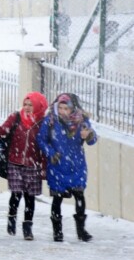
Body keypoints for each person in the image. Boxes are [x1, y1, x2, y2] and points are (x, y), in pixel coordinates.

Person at [36, 93, 97, 242]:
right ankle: (57, 231)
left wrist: (88, 135)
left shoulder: (81, 120)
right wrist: (51, 153)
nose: (63, 111)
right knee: (57, 199)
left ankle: (81, 230)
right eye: (61, 108)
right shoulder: (50, 121)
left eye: (66, 108)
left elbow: (92, 140)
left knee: (79, 196)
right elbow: (41, 139)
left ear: (73, 109)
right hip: (57, 165)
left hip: (76, 165)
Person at [0, 92, 48, 240]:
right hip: (15, 162)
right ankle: (12, 217)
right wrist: (0, 131)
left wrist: (43, 167)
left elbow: (45, 145)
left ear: (39, 106)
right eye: (25, 104)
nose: (27, 107)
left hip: (33, 165)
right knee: (16, 194)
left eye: (31, 105)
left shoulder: (43, 123)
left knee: (30, 198)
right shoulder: (16, 117)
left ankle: (28, 227)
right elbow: (5, 128)